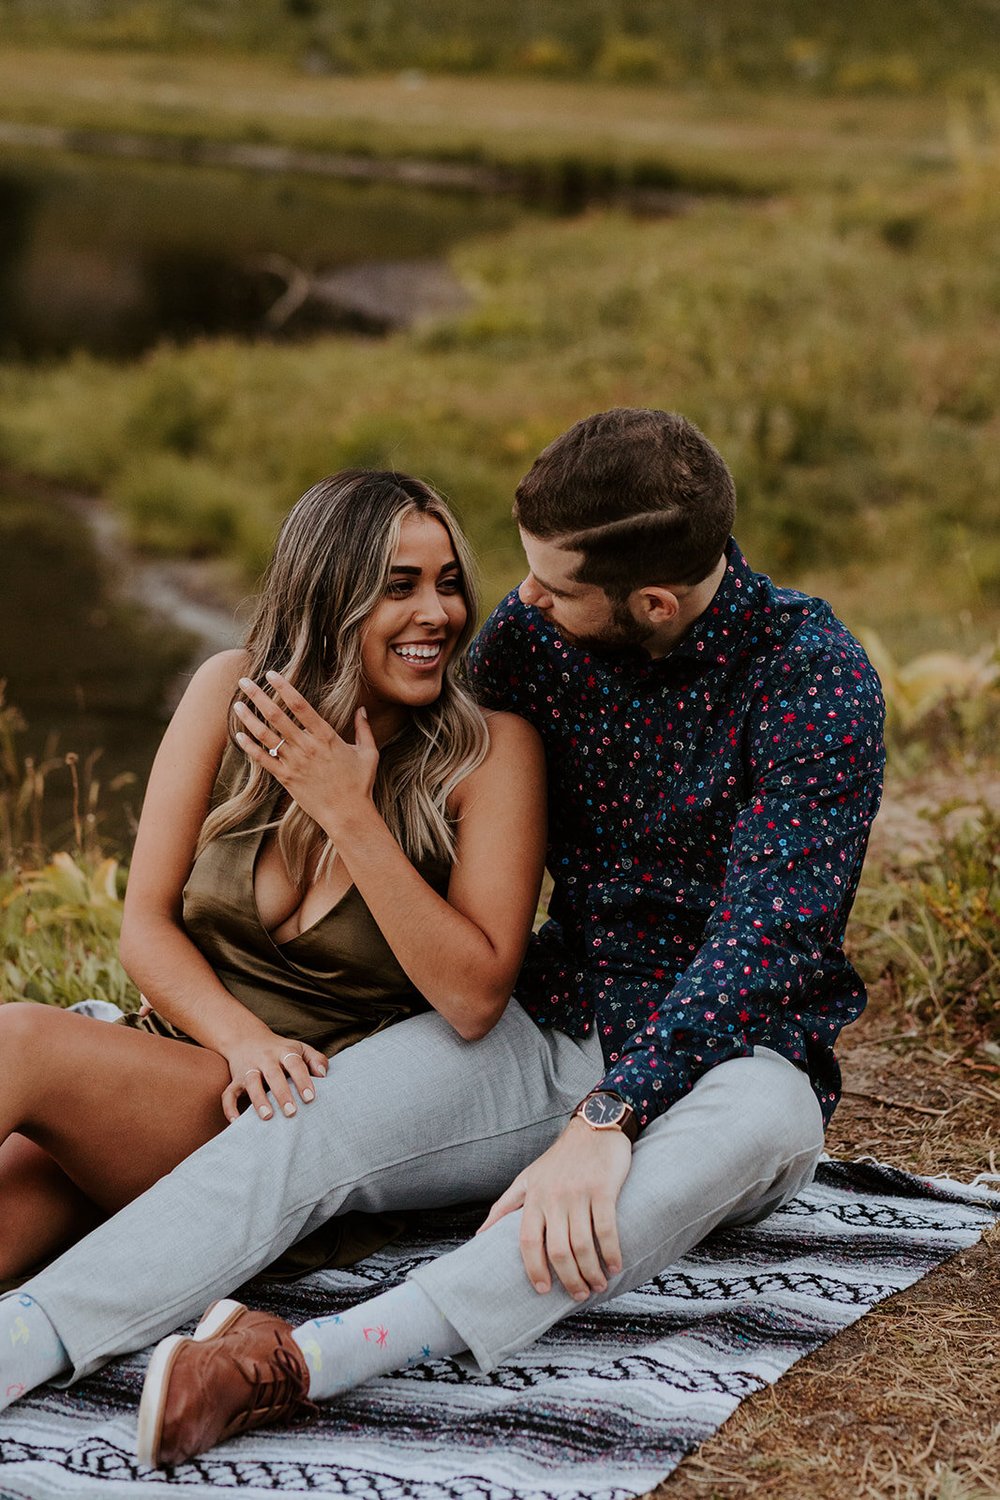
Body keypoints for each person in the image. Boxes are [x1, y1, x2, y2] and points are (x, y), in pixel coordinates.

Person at [0, 410, 885, 1471]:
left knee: (738, 1133)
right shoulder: (534, 644)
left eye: (551, 587)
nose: (512, 609)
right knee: (302, 1127)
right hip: (557, 1019)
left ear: (649, 602)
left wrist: (611, 1117)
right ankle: (19, 1343)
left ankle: (301, 1359)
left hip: (737, 1052)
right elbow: (421, 722)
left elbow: (766, 946)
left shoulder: (811, 678)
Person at [0, 469, 544, 1284]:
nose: (438, 613)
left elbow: (474, 998)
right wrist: (239, 1037)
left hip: (291, 1123)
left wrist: (350, 815)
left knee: (19, 1039)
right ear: (329, 594)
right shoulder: (231, 691)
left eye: (449, 584)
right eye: (400, 587)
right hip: (171, 1074)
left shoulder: (489, 756)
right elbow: (145, 922)